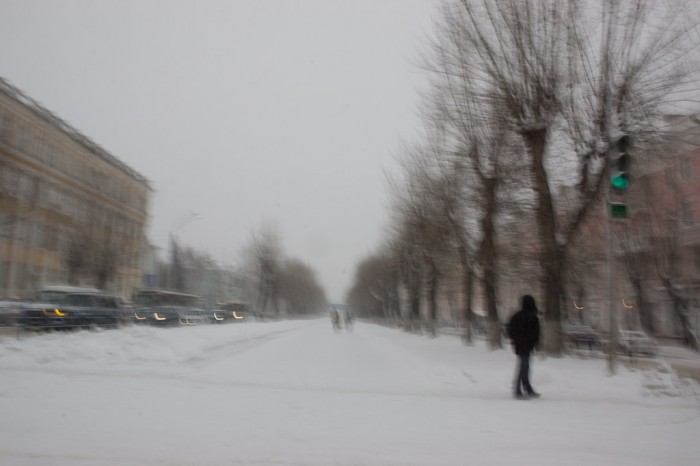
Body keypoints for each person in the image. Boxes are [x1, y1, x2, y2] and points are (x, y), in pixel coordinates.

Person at [508, 295, 541, 399]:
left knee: (525, 367)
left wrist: (516, 339)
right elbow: (536, 333)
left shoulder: (517, 316)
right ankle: (518, 390)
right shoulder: (532, 317)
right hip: (527, 346)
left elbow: (510, 331)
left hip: (520, 345)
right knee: (524, 367)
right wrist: (534, 342)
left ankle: (526, 388)